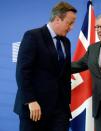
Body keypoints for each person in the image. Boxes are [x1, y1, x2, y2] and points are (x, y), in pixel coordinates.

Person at [14, 1, 77, 131]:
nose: (71, 27)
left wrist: (66, 102)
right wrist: (30, 100)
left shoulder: (66, 42)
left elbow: (64, 74)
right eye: (69, 23)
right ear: (58, 19)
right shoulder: (33, 36)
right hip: (35, 108)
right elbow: (23, 71)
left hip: (59, 110)